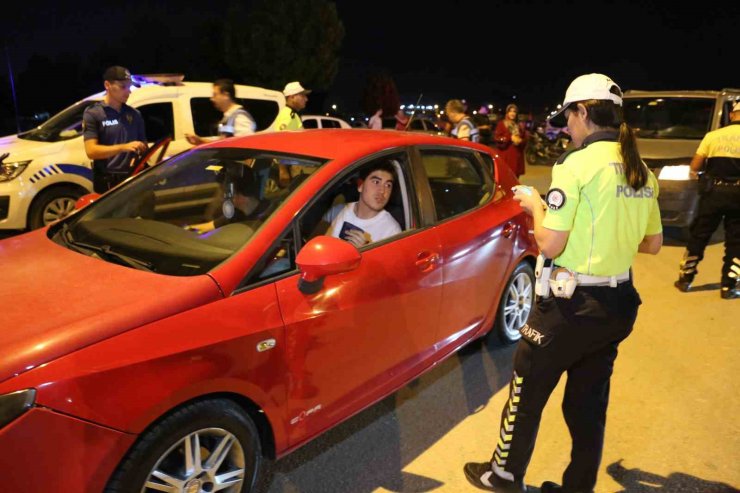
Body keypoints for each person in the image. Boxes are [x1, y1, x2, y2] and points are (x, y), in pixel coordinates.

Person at [464, 73, 663, 493]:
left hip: (569, 307)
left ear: (583, 112)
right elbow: (653, 244)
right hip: (617, 305)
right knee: (588, 406)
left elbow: (550, 242)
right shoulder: (640, 169)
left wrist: (534, 204)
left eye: (569, 118)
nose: (567, 127)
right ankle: (578, 486)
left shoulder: (575, 165)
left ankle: (502, 475)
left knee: (526, 391)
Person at [674, 100, 740, 299]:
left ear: (732, 115)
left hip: (713, 193)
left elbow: (695, 166)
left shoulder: (713, 136)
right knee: (736, 240)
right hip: (738, 195)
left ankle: (686, 279)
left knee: (699, 235)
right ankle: (729, 285)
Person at [83, 66, 147, 193]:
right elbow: (91, 151)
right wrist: (123, 147)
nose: (128, 91)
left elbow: (143, 144)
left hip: (132, 178)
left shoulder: (135, 114)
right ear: (107, 85)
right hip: (107, 182)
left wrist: (140, 152)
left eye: (129, 87)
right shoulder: (94, 113)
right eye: (123, 87)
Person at [324, 162, 402, 248]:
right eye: (376, 182)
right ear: (360, 185)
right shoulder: (342, 210)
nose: (382, 191)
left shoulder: (392, 231)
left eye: (388, 185)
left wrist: (365, 254)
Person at [187, 163, 268, 234]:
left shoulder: (266, 220)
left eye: (224, 193)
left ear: (239, 197)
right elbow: (209, 226)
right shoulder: (237, 214)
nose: (221, 198)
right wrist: (186, 230)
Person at [185, 79, 256, 145]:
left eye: (215, 95)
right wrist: (200, 141)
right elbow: (223, 143)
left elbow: (246, 145)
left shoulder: (240, 117)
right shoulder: (229, 116)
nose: (212, 99)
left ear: (226, 95)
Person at [275, 81, 311, 185]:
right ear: (292, 97)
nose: (306, 99)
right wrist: (283, 170)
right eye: (302, 95)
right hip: (294, 168)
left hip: (297, 166)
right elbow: (279, 142)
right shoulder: (287, 115)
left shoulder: (293, 114)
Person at [494, 103, 528, 178]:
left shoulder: (519, 125)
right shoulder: (502, 124)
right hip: (506, 156)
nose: (512, 113)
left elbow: (525, 139)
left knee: (515, 179)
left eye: (514, 111)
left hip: (517, 156)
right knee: (506, 178)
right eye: (510, 111)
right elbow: (497, 138)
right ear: (507, 113)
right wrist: (509, 137)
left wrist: (520, 141)